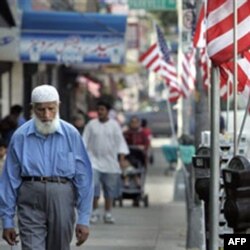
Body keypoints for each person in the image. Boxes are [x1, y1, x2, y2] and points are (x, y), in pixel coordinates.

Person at [0, 85, 93, 250]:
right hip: (30, 198)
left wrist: (83, 219)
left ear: (58, 105)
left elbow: (84, 178)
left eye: (51, 108)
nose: (46, 115)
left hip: (63, 197)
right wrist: (7, 221)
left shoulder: (71, 134)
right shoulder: (20, 136)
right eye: (41, 110)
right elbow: (9, 180)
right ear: (32, 109)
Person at [83, 99, 129, 224]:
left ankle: (108, 213)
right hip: (94, 162)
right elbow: (84, 142)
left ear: (108, 111)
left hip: (111, 163)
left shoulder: (114, 125)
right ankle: (94, 212)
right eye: (98, 110)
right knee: (94, 188)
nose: (100, 112)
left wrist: (122, 160)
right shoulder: (91, 125)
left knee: (109, 191)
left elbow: (121, 144)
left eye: (102, 110)